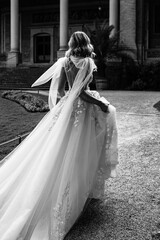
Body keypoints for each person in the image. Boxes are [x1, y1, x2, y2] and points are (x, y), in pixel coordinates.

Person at [0, 31, 118, 240]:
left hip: (67, 110)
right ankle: (75, 193)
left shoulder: (64, 61)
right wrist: (101, 103)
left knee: (59, 149)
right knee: (81, 150)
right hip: (82, 113)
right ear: (86, 44)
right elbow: (82, 92)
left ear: (72, 44)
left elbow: (63, 90)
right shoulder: (88, 63)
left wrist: (67, 104)